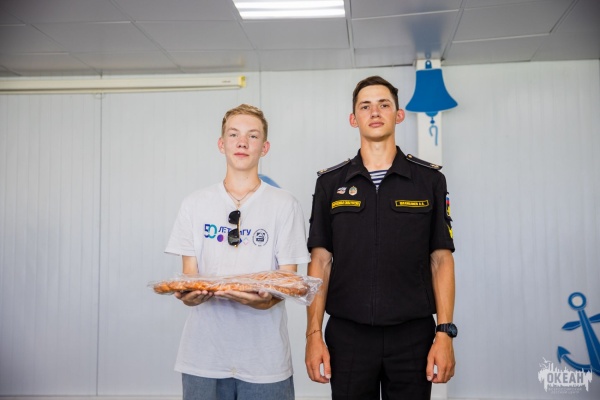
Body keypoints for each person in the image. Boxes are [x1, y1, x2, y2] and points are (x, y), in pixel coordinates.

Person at [304, 76, 456, 399]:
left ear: (398, 115)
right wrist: (313, 334)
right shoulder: (330, 184)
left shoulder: (429, 180)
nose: (375, 112)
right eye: (365, 106)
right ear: (353, 118)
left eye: (384, 104)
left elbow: (441, 259)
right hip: (348, 336)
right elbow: (320, 262)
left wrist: (444, 333)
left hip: (413, 335)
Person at [165, 104, 311, 400]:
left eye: (252, 136)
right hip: (203, 358)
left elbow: (287, 281)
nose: (242, 142)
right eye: (234, 135)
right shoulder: (195, 204)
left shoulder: (285, 205)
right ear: (222, 144)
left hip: (265, 361)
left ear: (264, 147)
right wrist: (189, 295)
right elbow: (190, 277)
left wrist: (266, 300)